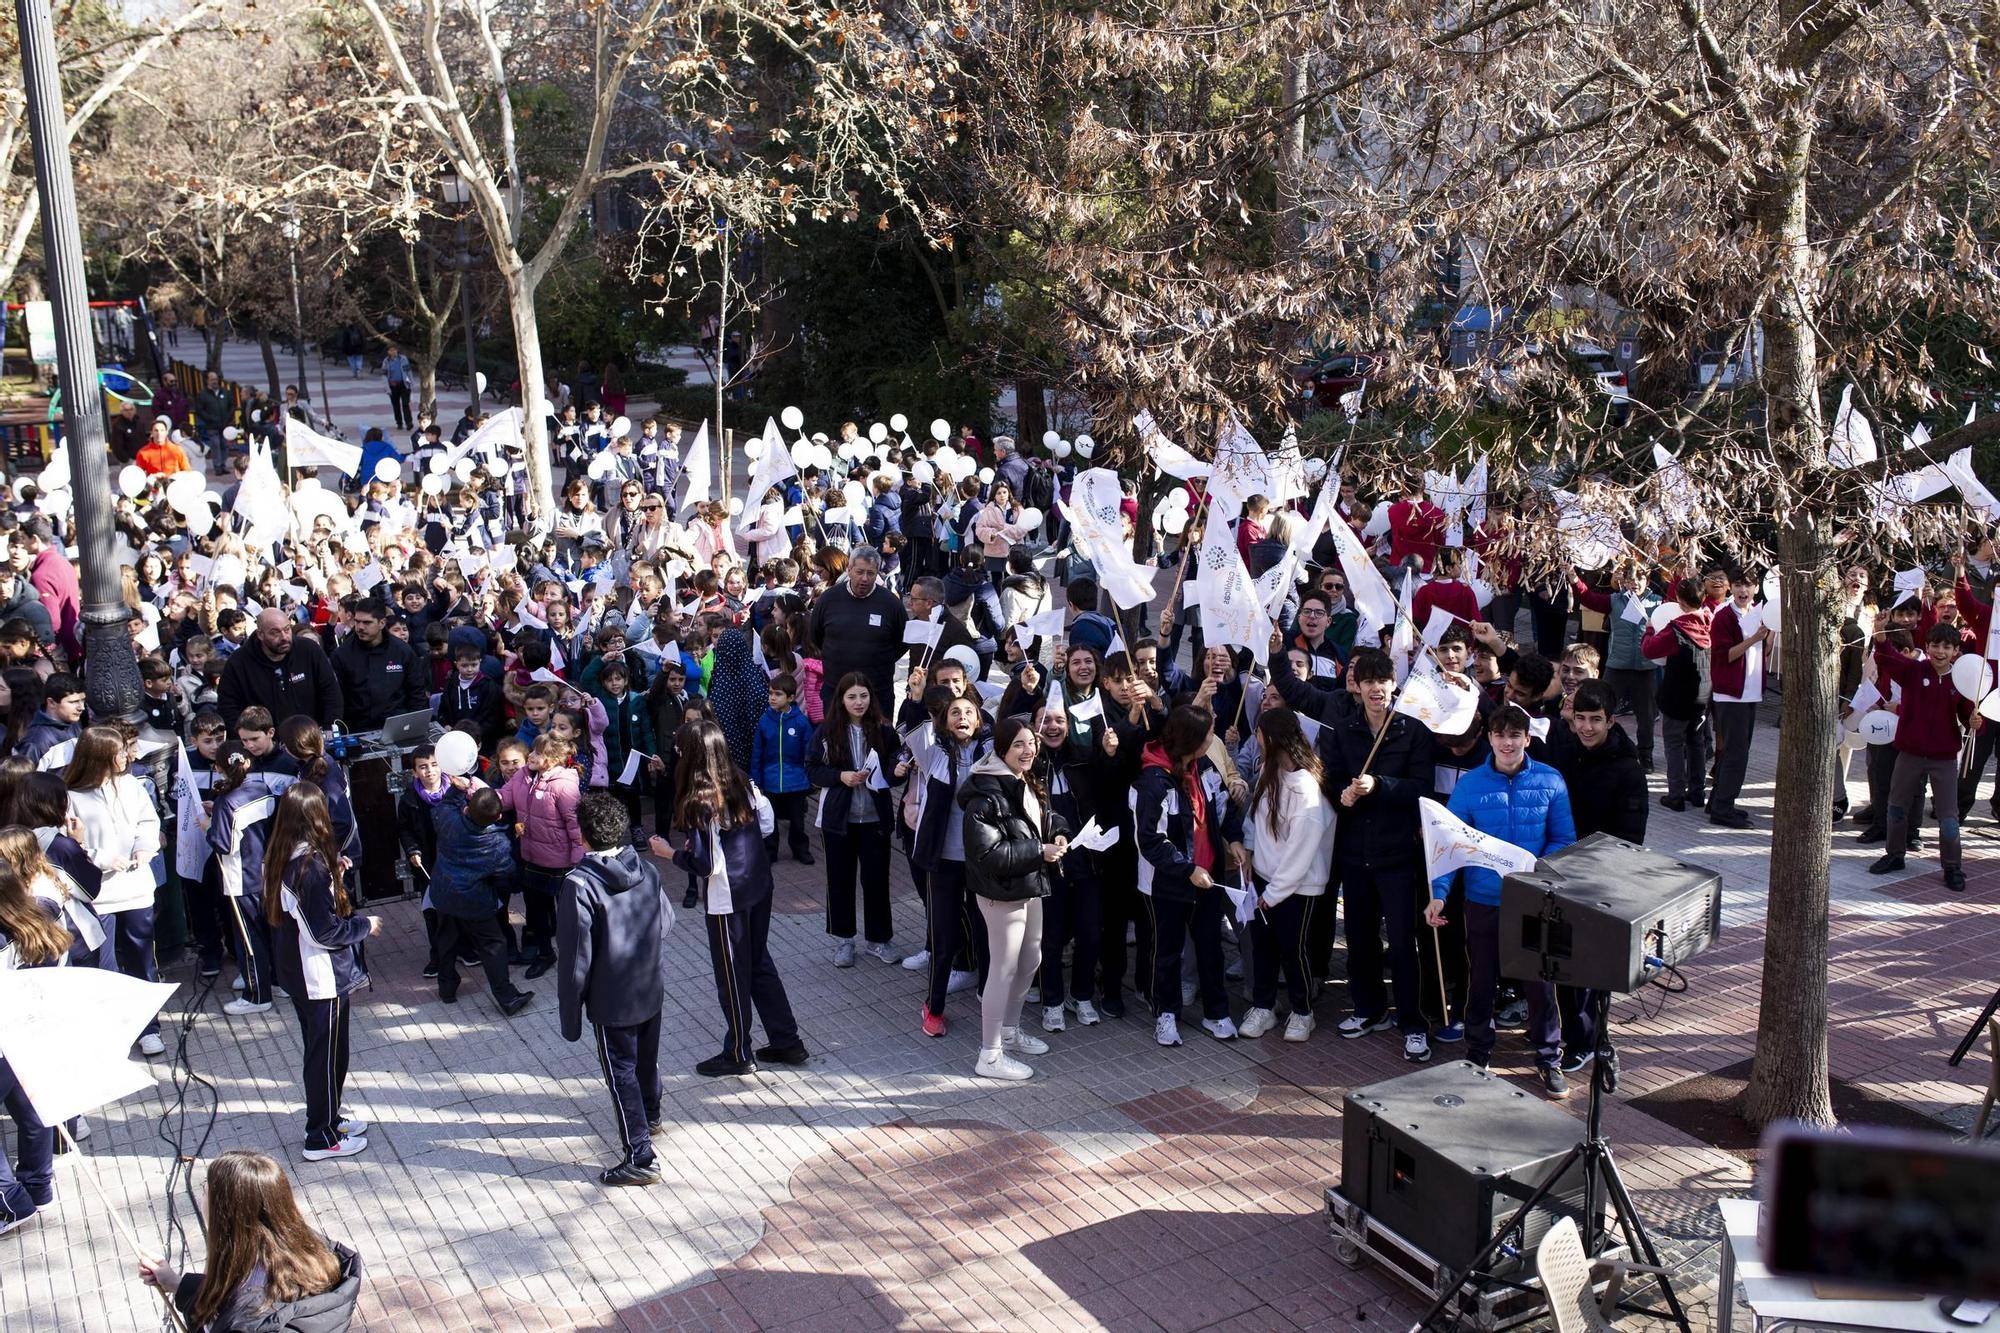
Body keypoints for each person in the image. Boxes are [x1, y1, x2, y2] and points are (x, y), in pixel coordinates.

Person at [1425, 705, 1576, 1097]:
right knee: (1481, 979)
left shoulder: (1551, 779)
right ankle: (1478, 1051)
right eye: (1499, 735)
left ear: (1527, 739)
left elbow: (1565, 838)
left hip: (1534, 899)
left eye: (1515, 736)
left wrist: (1534, 866)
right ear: (1489, 739)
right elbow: (1450, 845)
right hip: (1483, 899)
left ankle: (1547, 1057)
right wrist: (1439, 896)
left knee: (1540, 983)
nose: (1507, 743)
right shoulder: (1470, 785)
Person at [660, 725, 806, 1077]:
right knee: (757, 963)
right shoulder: (740, 780)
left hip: (729, 898)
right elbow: (767, 824)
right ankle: (786, 1040)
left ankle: (739, 1052)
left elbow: (706, 864)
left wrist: (669, 854)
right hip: (759, 885)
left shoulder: (700, 799)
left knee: (732, 975)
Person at [263, 782, 381, 1160]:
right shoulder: (308, 869)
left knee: (326, 1052)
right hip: (318, 976)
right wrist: (366, 926)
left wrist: (335, 874)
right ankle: (321, 1136)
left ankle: (329, 1117)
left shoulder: (285, 856)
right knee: (326, 1055)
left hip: (300, 972)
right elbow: (324, 932)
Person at [137, 1150, 362, 1331]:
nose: (202, 1196)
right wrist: (178, 1284)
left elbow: (240, 1306)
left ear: (225, 1212)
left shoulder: (244, 1318)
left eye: (206, 1189)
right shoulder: (316, 1250)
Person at [959, 715, 1069, 1080]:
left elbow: (1041, 818)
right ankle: (989, 1055)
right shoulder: (984, 795)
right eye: (1018, 744)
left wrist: (1060, 833)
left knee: (1030, 960)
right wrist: (1039, 851)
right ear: (1002, 749)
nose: (1028, 750)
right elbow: (987, 854)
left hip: (1029, 885)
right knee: (1003, 969)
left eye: (1031, 742)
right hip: (1000, 892)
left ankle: (1009, 1030)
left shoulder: (1024, 779)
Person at [1134, 702, 1248, 1047]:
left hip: (1209, 878)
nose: (1212, 739)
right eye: (1207, 735)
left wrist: (1235, 839)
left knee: (1211, 948)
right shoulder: (1155, 781)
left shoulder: (1205, 767)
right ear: (1191, 740)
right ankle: (1166, 1014)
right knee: (1167, 952)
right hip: (1168, 884)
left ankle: (1217, 1012)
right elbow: (1150, 839)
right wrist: (1187, 869)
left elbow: (1223, 806)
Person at [1552, 679, 1648, 1073]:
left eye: (1595, 720)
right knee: (1560, 962)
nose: (1587, 727)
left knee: (1588, 969)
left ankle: (1588, 1039)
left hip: (1600, 880)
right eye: (1580, 719)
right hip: (1560, 871)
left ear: (1611, 721)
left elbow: (1630, 838)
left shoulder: (1627, 768)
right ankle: (1570, 1030)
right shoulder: (1566, 750)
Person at [64, 725, 166, 1056]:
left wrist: (144, 848)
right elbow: (68, 845)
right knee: (103, 966)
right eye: (119, 752)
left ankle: (149, 1026)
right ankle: (112, 1030)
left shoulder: (131, 785)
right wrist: (104, 859)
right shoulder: (72, 796)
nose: (126, 756)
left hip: (136, 887)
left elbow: (148, 823)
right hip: (98, 894)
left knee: (141, 957)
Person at [1239, 708, 1335, 1043]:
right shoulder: (1270, 770)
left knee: (1293, 950)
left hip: (1297, 886)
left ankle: (1302, 1011)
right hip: (1265, 879)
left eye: (1260, 734)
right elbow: (1255, 816)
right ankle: (1264, 1006)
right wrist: (1250, 852)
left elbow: (1301, 851)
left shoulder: (1307, 787)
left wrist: (1273, 893)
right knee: (1263, 947)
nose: (1257, 740)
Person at [805, 673, 905, 968]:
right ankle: (844, 940)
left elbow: (893, 766)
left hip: (875, 819)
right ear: (841, 700)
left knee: (876, 880)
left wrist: (896, 772)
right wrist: (840, 777)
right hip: (839, 820)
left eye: (863, 696)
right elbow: (811, 769)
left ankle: (879, 940)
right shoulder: (826, 731)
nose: (858, 702)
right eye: (852, 697)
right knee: (840, 880)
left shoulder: (884, 730)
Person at [909, 692, 992, 1037]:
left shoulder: (990, 755)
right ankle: (934, 1007)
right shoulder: (934, 754)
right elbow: (912, 728)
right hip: (942, 861)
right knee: (943, 938)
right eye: (954, 712)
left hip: (981, 861)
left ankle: (990, 997)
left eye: (968, 712)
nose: (961, 717)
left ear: (978, 720)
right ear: (944, 721)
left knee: (986, 933)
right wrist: (915, 697)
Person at [1870, 624, 1976, 891]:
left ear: (1955, 651)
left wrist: (1976, 721)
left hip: (1944, 759)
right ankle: (1895, 854)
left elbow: (1967, 716)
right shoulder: (1914, 670)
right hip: (1910, 753)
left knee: (1949, 817)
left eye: (1947, 647)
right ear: (1927, 647)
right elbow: (1887, 660)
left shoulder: (1961, 681)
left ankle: (1952, 866)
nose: (1940, 651)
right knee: (1896, 806)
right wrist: (1881, 638)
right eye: (1935, 645)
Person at [0, 837, 69, 1236]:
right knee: (30, 1110)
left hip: (7, 1038)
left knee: (30, 1110)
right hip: (27, 1031)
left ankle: (11, 1200)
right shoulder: (29, 925)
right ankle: (38, 1187)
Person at [430, 783, 535, 1015]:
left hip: (443, 894)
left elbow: (443, 806)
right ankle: (506, 997)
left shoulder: (449, 821)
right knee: (493, 945)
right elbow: (507, 874)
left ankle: (446, 989)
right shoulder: (498, 844)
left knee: (446, 940)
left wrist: (457, 789)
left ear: (467, 808)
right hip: (475, 902)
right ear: (498, 816)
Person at [498, 734, 584, 979]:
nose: (531, 757)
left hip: (561, 863)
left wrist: (578, 862)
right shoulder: (522, 776)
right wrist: (477, 793)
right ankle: (545, 954)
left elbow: (575, 825)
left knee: (569, 915)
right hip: (532, 858)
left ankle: (578, 958)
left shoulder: (564, 785)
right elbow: (504, 797)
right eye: (533, 752)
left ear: (552, 759)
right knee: (536, 912)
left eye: (537, 753)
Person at [805, 545, 907, 713]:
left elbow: (903, 642)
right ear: (849, 569)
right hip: (836, 689)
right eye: (859, 572)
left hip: (877, 692)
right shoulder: (828, 599)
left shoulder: (891, 603)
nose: (865, 578)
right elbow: (816, 636)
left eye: (870, 573)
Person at [1707, 570, 1772, 829]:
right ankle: (1723, 809)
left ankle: (1717, 801)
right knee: (1736, 755)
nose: (1743, 591)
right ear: (1731, 588)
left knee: (1734, 751)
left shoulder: (1760, 613)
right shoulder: (1723, 616)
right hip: (1731, 695)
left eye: (1748, 585)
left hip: (1751, 692)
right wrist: (1754, 638)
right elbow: (1725, 655)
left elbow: (1763, 650)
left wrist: (1767, 637)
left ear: (1756, 588)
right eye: (1738, 585)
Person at [1641, 577, 1712, 812]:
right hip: (1703, 694)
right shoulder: (1712, 621)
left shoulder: (1678, 628)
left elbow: (1649, 649)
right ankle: (1697, 791)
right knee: (1697, 742)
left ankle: (1676, 794)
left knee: (1673, 742)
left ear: (1679, 600)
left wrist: (1651, 627)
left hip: (1677, 695)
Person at [216, 610, 343, 729]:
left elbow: (331, 692)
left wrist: (330, 728)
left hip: (311, 737)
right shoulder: (238, 663)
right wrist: (250, 740)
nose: (284, 637)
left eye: (287, 629)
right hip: (263, 745)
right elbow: (228, 708)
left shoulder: (309, 650)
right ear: (260, 634)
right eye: (275, 632)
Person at [330, 598, 427, 731]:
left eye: (367, 622)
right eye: (357, 621)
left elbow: (416, 692)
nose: (360, 627)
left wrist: (414, 727)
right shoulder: (342, 655)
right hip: (358, 729)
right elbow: (335, 698)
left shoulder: (402, 651)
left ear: (382, 623)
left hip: (397, 727)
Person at [751, 672, 814, 863]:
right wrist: (756, 780)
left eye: (778, 694)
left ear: (791, 698)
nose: (772, 697)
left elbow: (809, 752)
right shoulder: (764, 721)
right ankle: (770, 851)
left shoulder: (801, 722)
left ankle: (800, 849)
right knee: (770, 820)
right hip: (770, 781)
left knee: (797, 821)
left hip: (796, 782)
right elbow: (757, 753)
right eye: (770, 693)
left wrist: (809, 777)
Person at [15, 670, 83, 765]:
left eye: (82, 700)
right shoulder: (35, 741)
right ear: (51, 702)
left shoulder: (73, 721)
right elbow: (25, 778)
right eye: (73, 702)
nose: (81, 707)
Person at [383, 344, 414, 430]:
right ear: (388, 352)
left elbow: (408, 371)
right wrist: (387, 387)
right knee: (396, 405)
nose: (393, 352)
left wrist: (411, 383)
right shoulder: (386, 361)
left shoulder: (403, 359)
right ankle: (399, 422)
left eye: (394, 350)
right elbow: (384, 375)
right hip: (393, 386)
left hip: (404, 385)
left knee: (405, 404)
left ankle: (409, 422)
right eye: (390, 350)